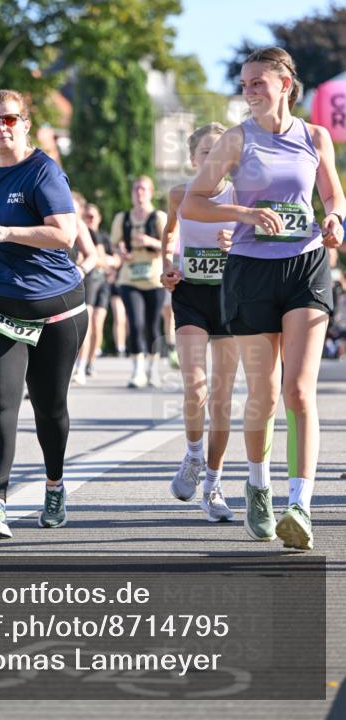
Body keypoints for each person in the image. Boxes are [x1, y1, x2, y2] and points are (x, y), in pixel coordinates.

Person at [183, 47, 345, 550]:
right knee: (265, 394)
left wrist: (335, 219)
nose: (250, 91)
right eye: (245, 83)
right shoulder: (235, 140)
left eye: (259, 82)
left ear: (285, 85)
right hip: (250, 272)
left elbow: (333, 194)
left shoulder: (315, 136)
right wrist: (245, 214)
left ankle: (300, 502)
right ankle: (259, 485)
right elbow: (194, 202)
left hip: (305, 267)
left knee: (298, 390)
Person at [0, 89, 89, 539]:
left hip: (55, 308)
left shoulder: (43, 172)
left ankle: (54, 483)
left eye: (9, 119)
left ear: (25, 123)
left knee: (49, 409)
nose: (1, 128)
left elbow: (64, 235)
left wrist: (6, 232)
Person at [161, 123, 240, 522]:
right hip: (191, 296)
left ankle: (213, 484)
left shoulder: (240, 197)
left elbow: (260, 238)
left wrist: (237, 242)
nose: (212, 160)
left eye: (219, 153)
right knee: (195, 386)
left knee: (222, 399)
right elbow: (170, 234)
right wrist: (168, 268)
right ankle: (193, 455)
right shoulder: (179, 194)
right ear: (193, 159)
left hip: (229, 299)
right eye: (205, 153)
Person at [111, 176, 167, 388]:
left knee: (152, 325)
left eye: (144, 189)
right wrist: (120, 252)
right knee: (135, 323)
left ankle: (153, 369)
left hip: (154, 278)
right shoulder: (122, 218)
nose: (140, 193)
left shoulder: (158, 217)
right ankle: (137, 370)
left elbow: (170, 245)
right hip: (129, 278)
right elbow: (115, 245)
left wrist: (149, 241)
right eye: (136, 189)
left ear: (151, 193)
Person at [73, 201, 112, 383]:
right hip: (72, 282)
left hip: (93, 280)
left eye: (91, 216)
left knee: (91, 324)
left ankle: (83, 366)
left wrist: (82, 262)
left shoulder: (92, 234)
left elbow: (101, 260)